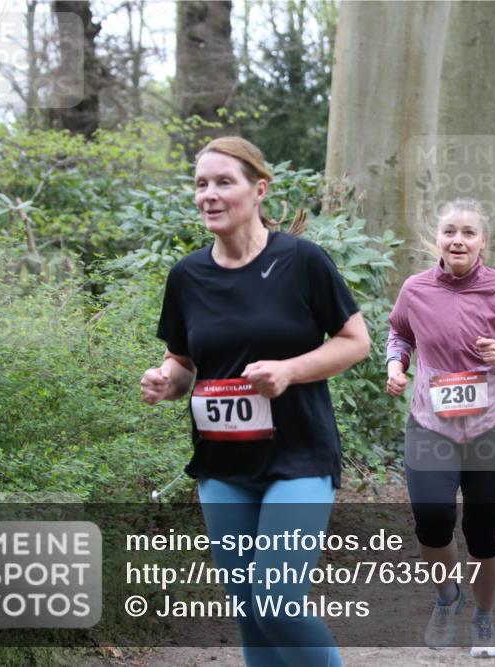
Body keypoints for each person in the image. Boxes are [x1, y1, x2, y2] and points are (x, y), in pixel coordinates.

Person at [140, 136, 370, 667]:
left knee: (276, 600)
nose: (209, 195)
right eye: (201, 184)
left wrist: (289, 370)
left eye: (224, 182)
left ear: (259, 190)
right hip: (222, 463)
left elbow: (355, 341)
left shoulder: (303, 261)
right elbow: (183, 363)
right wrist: (164, 380)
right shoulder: (187, 276)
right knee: (249, 607)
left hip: (299, 456)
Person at [385, 199, 495, 658]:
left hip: (490, 425)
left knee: (483, 533)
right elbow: (399, 334)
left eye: (468, 232)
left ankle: (484, 618)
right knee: (432, 522)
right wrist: (396, 364)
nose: (458, 240)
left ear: (483, 242)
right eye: (450, 231)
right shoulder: (415, 289)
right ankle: (447, 598)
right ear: (437, 238)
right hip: (430, 424)